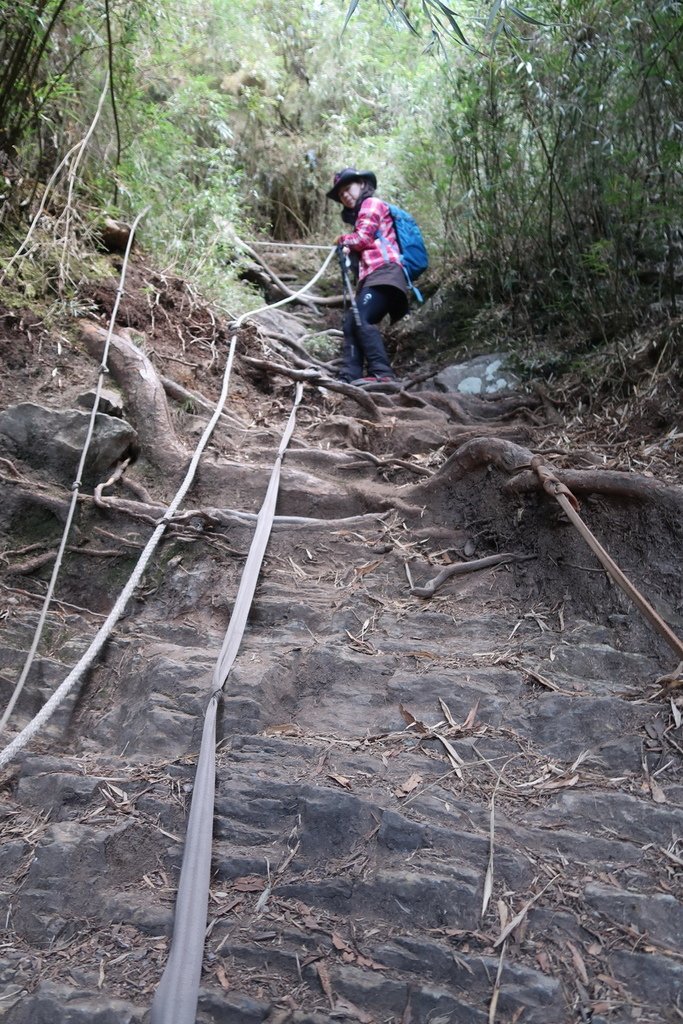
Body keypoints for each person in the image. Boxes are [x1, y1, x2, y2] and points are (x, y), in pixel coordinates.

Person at [327, 167, 409, 385]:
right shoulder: (360, 214)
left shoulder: (371, 204)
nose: (345, 195)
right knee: (351, 323)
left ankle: (383, 374)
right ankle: (350, 376)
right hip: (374, 277)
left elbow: (362, 238)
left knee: (361, 318)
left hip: (386, 273)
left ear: (362, 184)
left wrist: (343, 240)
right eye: (341, 194)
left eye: (348, 188)